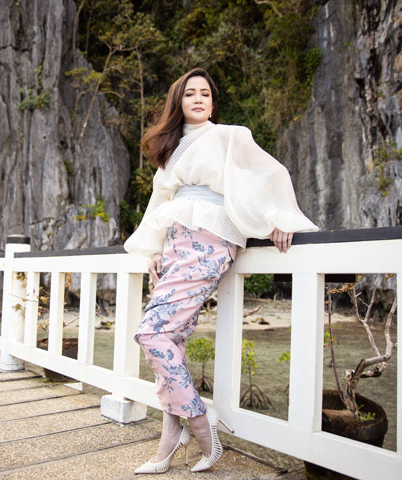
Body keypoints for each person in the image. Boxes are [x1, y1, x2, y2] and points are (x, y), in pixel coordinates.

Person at [124, 67, 318, 474]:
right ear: (178, 102)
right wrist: (154, 247)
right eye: (190, 93)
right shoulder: (172, 148)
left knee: (152, 332)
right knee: (171, 337)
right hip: (176, 239)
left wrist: (279, 217)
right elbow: (160, 201)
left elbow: (270, 174)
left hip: (212, 237)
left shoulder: (230, 136)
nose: (199, 99)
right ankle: (169, 439)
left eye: (206, 94)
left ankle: (200, 425)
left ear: (213, 103)